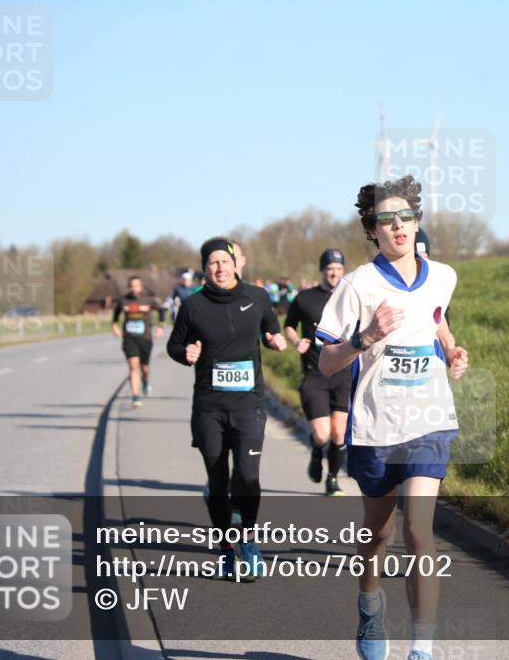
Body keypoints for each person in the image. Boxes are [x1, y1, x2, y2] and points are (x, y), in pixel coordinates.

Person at [316, 175, 469, 660]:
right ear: (372, 229)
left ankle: (421, 650)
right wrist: (365, 337)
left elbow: (437, 314)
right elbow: (325, 363)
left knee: (419, 532)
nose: (398, 225)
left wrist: (451, 350)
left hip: (429, 422)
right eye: (387, 219)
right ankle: (369, 603)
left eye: (406, 216)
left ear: (417, 222)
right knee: (378, 533)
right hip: (377, 427)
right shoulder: (358, 285)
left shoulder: (443, 274)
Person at [166, 237, 286, 581]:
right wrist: (185, 354)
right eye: (212, 263)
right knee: (218, 483)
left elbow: (270, 330)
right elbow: (176, 344)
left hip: (249, 404)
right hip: (209, 408)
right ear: (205, 268)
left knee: (247, 477)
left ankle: (248, 538)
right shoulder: (193, 306)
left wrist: (275, 341)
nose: (219, 267)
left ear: (236, 263)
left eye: (224, 260)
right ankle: (224, 550)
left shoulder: (258, 297)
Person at [284, 249, 350, 496]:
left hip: (344, 375)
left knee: (338, 432)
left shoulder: (350, 297)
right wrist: (295, 342)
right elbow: (289, 325)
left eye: (338, 268)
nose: (334, 273)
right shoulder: (305, 298)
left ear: (343, 270)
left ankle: (332, 480)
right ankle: (316, 451)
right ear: (322, 270)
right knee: (322, 435)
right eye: (329, 268)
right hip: (315, 373)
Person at [111, 276, 166, 408]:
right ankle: (135, 396)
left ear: (140, 286)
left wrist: (160, 326)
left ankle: (145, 381)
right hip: (129, 338)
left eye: (136, 286)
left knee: (144, 368)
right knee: (133, 365)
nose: (134, 288)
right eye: (131, 286)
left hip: (145, 338)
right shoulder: (123, 300)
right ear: (128, 287)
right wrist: (115, 327)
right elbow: (115, 316)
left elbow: (162, 310)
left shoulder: (149, 299)